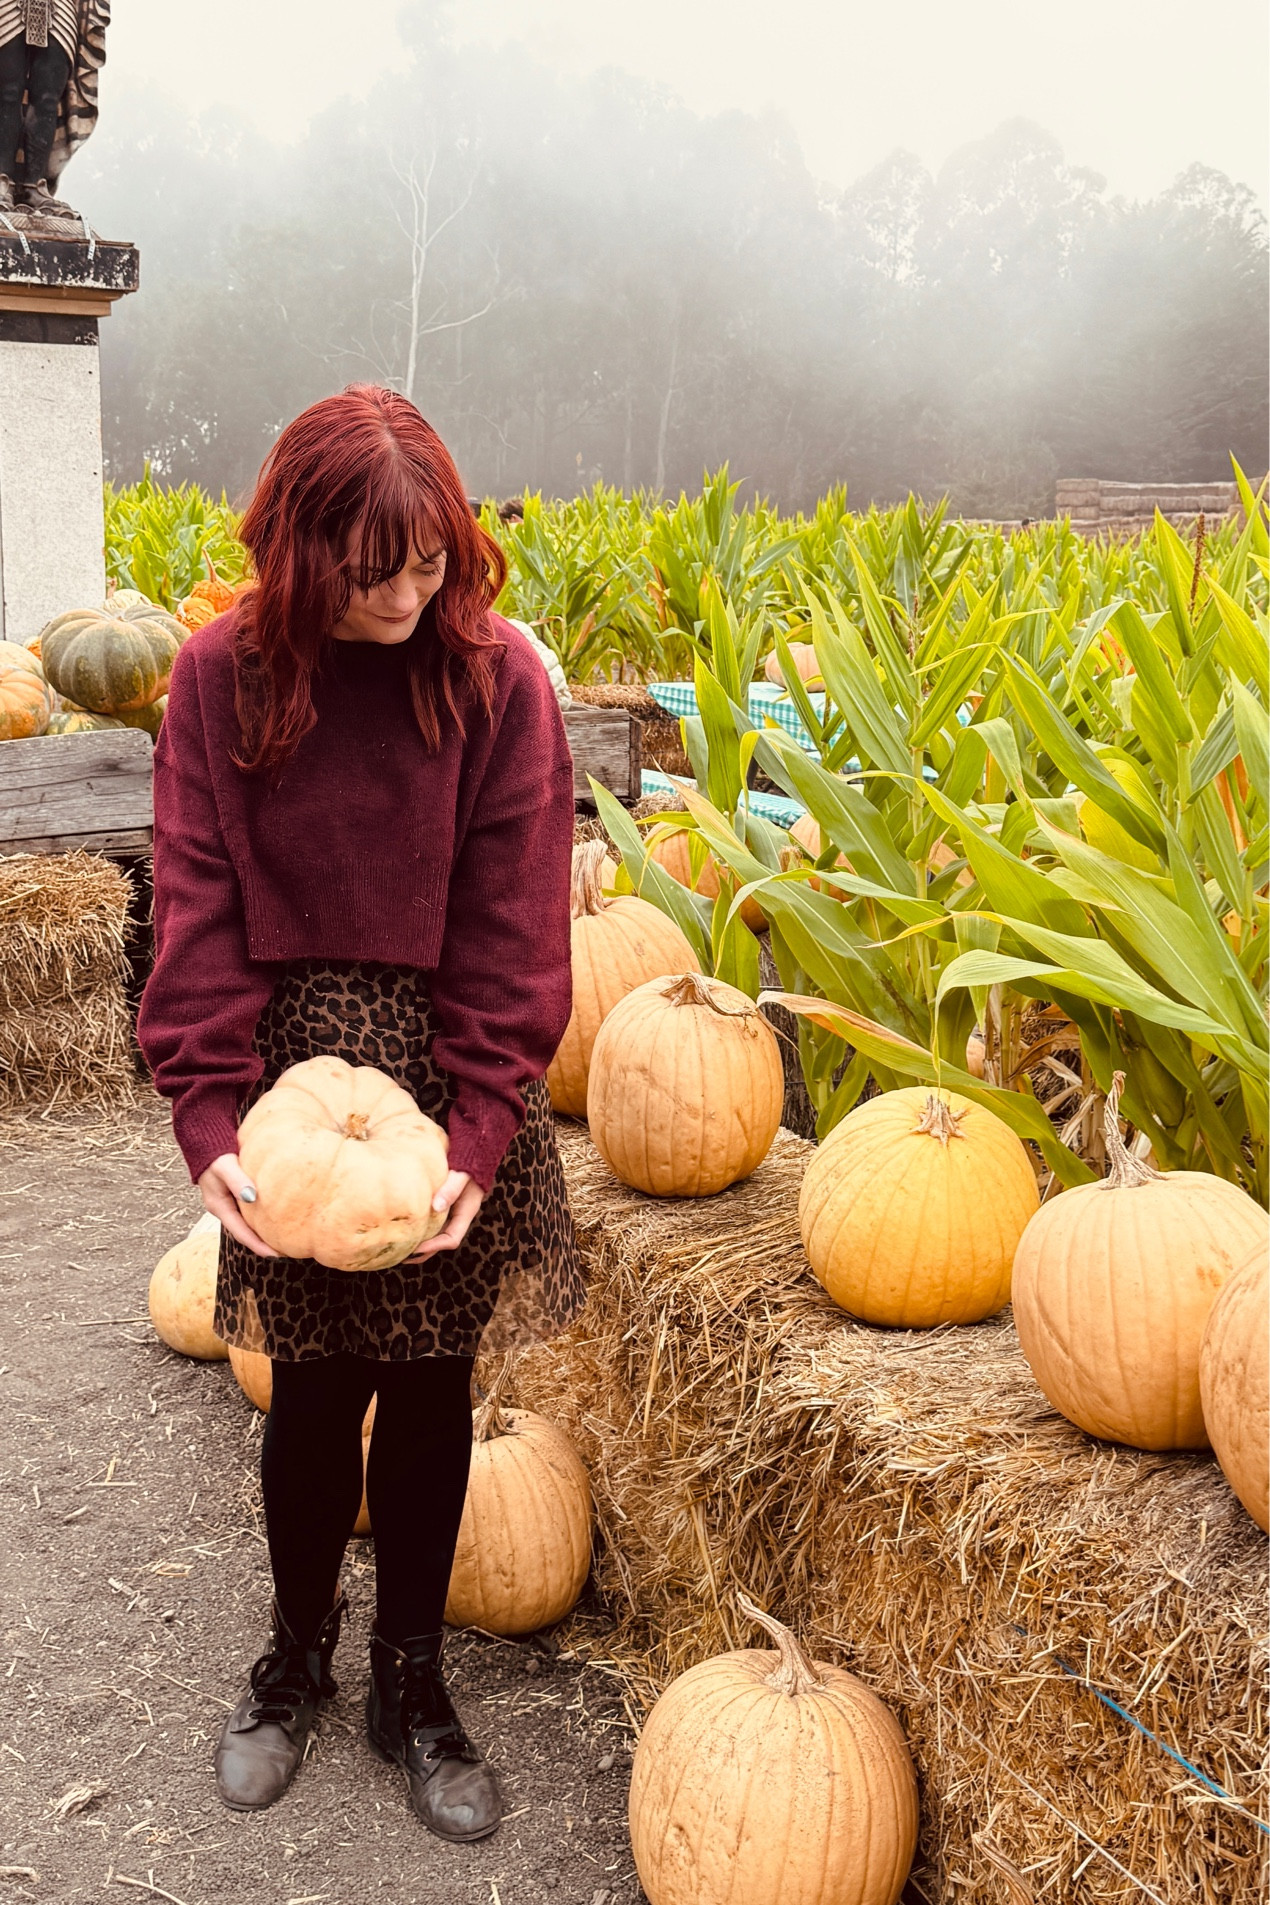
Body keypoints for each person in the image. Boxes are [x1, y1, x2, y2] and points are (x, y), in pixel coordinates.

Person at [137, 385, 585, 1843]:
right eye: (369, 569)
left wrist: (480, 1123)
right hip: (292, 1067)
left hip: (442, 1065)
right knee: (313, 1384)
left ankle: (412, 1683)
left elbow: (512, 919)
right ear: (300, 552)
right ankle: (295, 1660)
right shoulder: (219, 676)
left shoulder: (498, 681)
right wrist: (207, 1106)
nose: (403, 595)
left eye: (428, 563)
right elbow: (194, 895)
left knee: (435, 1377)